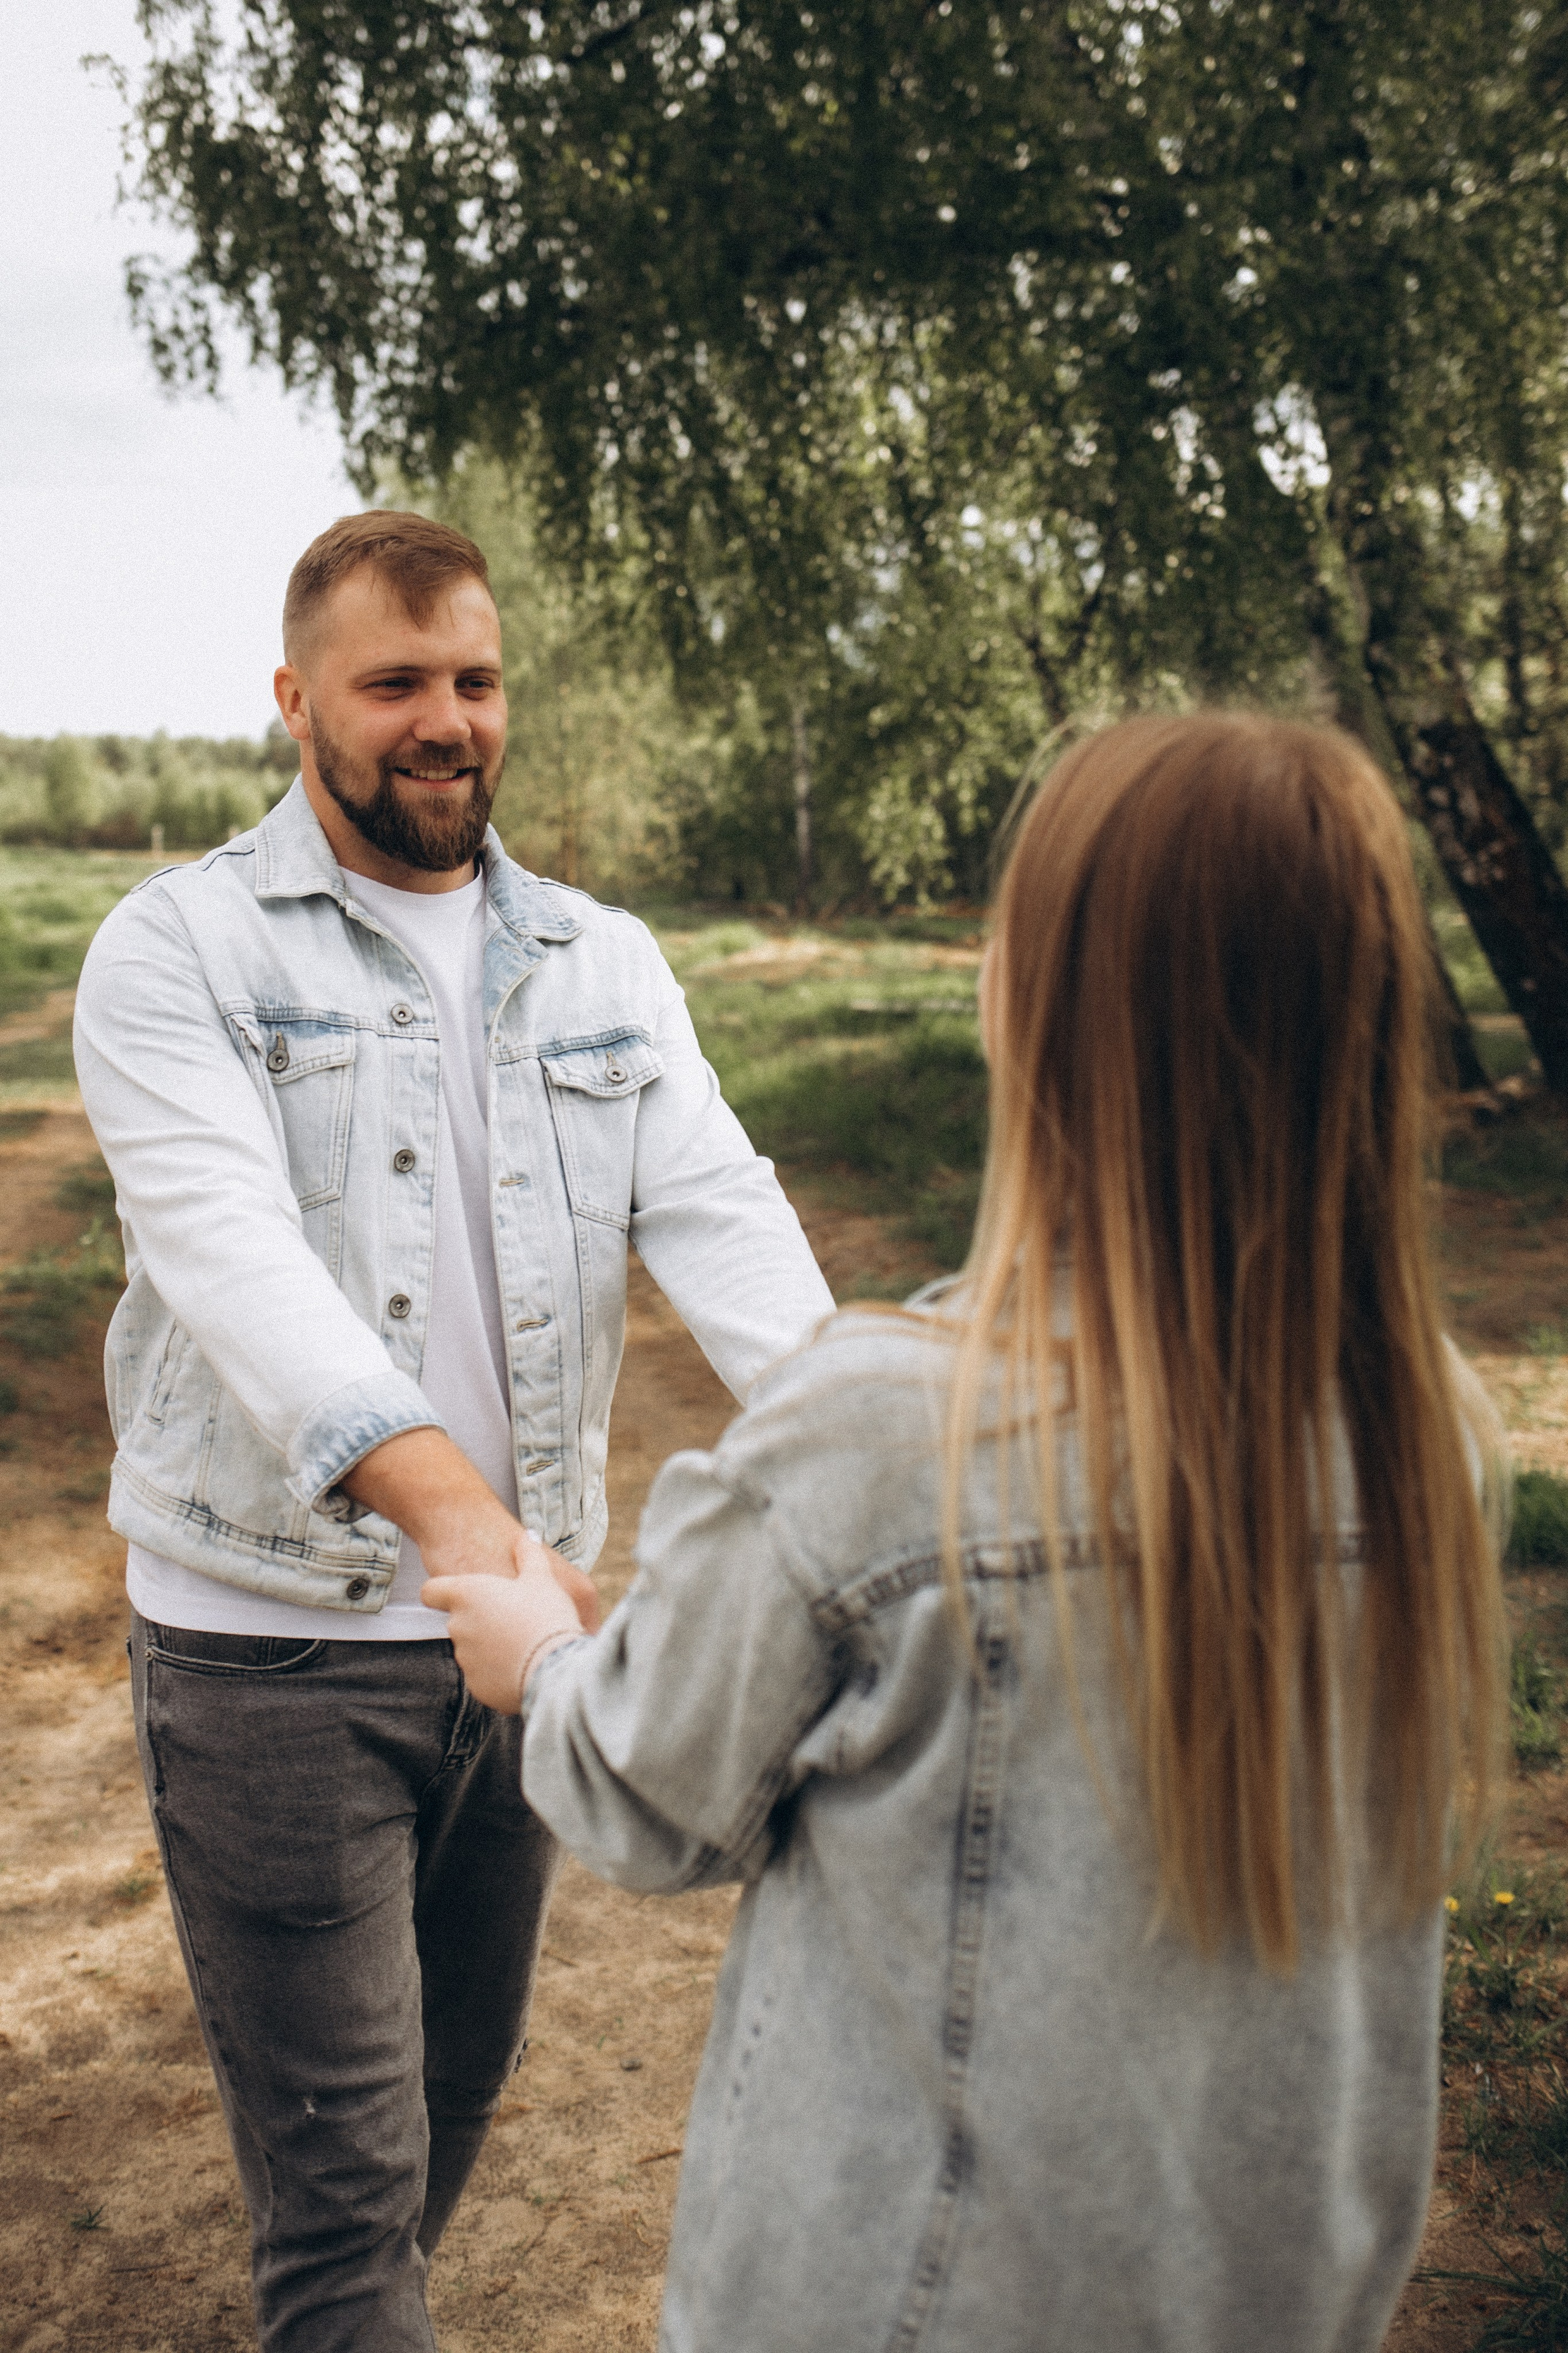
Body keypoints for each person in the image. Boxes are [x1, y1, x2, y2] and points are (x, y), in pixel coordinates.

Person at [430, 712, 1506, 2353]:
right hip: (1275, 2298)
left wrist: (545, 1658)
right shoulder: (1431, 1429)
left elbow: (650, 1797)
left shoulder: (882, 1436)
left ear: (1048, 1011)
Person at [73, 509, 834, 2353]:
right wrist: (474, 1540)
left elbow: (732, 1231)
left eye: (475, 680)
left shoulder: (603, 964)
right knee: (341, 2209)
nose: (446, 718)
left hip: (517, 1656)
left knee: (449, 2114)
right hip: (273, 1648)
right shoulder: (177, 949)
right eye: (396, 680)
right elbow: (238, 1268)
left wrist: (894, 1473)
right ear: (297, 701)